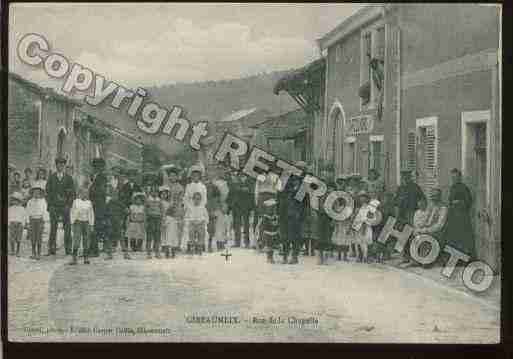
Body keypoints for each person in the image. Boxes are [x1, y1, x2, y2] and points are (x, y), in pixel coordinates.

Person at [393, 167, 426, 264]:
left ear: (410, 177)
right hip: (402, 214)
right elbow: (395, 201)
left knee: (413, 235)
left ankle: (415, 257)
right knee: (403, 236)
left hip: (412, 214)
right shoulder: (400, 188)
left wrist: (420, 212)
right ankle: (405, 257)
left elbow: (422, 200)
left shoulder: (415, 187)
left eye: (407, 177)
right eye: (403, 177)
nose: (405, 179)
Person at [280, 161, 309, 265]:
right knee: (284, 234)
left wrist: (303, 213)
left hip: (297, 211)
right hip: (285, 209)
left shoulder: (304, 182)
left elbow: (302, 198)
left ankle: (294, 256)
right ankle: (284, 255)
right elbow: (281, 193)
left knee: (296, 235)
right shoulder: (288, 179)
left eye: (301, 169)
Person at [442, 169, 475, 259]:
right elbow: (449, 201)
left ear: (459, 177)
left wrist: (459, 202)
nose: (454, 179)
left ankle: (464, 259)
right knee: (453, 238)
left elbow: (469, 201)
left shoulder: (464, 188)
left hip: (462, 217)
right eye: (452, 177)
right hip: (453, 216)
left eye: (456, 177)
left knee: (463, 238)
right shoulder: (452, 188)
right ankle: (454, 258)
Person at [46, 157, 76, 256]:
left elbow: (72, 194)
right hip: (54, 206)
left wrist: (69, 205)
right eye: (59, 164)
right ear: (56, 166)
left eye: (62, 165)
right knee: (53, 228)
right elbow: (48, 192)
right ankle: (52, 248)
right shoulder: (51, 178)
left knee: (67, 228)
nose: (60, 166)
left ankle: (68, 249)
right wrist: (50, 206)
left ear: (64, 166)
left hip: (65, 207)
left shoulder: (69, 178)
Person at [105, 169, 130, 260]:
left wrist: (122, 218)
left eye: (116, 193)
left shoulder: (120, 203)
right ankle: (109, 254)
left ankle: (126, 253)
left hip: (118, 222)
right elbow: (105, 213)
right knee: (109, 238)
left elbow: (126, 211)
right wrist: (107, 220)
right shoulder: (108, 203)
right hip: (110, 223)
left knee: (121, 237)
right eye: (112, 193)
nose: (114, 194)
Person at [352, 191, 382, 263]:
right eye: (361, 198)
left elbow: (373, 217)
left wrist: (367, 222)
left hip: (366, 226)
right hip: (358, 226)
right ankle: (359, 256)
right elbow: (354, 218)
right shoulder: (357, 208)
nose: (362, 199)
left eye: (364, 197)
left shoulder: (370, 208)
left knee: (366, 241)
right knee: (358, 241)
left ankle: (366, 256)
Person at [183, 165, 208, 251]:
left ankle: (200, 244)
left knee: (201, 229)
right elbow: (186, 198)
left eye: (197, 175)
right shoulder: (188, 186)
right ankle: (191, 244)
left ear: (200, 176)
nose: (195, 177)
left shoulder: (203, 186)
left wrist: (200, 205)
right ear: (191, 176)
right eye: (194, 175)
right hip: (191, 208)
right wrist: (189, 206)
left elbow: (204, 198)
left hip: (200, 208)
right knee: (190, 229)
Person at [161, 165, 185, 250]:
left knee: (177, 226)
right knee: (164, 226)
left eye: (174, 176)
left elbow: (181, 198)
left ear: (177, 177)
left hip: (176, 208)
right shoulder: (166, 185)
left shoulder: (180, 187)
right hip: (166, 207)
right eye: (171, 175)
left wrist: (176, 205)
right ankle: (164, 244)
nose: (172, 177)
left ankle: (176, 245)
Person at [69, 186, 94, 265]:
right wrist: (72, 223)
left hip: (86, 223)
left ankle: (86, 257)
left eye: (86, 193)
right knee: (76, 240)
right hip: (78, 222)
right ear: (79, 193)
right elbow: (72, 212)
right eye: (83, 193)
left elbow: (91, 214)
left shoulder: (89, 202)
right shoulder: (76, 201)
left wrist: (91, 224)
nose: (84, 194)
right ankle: (74, 258)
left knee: (86, 240)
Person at [89, 158, 108, 257]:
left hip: (98, 205)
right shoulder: (94, 177)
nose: (96, 168)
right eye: (95, 166)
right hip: (93, 205)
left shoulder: (102, 177)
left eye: (98, 167)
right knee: (92, 227)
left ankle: (94, 250)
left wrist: (91, 190)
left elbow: (101, 191)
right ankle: (92, 249)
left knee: (95, 227)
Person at [228, 172, 254, 248]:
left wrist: (252, 206)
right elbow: (231, 191)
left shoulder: (250, 181)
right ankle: (237, 242)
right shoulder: (235, 180)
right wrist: (229, 206)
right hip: (236, 206)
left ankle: (247, 242)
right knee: (236, 224)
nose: (241, 174)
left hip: (246, 205)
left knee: (246, 224)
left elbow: (251, 192)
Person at [25, 181, 49, 260]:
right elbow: (27, 212)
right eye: (34, 192)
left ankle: (39, 253)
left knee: (39, 237)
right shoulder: (29, 202)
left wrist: (44, 221)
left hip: (40, 220)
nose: (36, 194)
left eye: (38, 192)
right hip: (32, 220)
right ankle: (33, 252)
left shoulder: (43, 201)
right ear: (32, 193)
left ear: (40, 193)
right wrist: (28, 222)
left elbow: (45, 211)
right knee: (33, 237)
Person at [120, 169, 142, 251]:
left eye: (134, 175)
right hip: (127, 209)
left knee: (137, 226)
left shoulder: (138, 187)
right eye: (130, 176)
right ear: (128, 177)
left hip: (136, 209)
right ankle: (125, 245)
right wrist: (125, 207)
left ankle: (135, 246)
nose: (132, 177)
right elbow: (121, 198)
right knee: (126, 227)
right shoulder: (124, 187)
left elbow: (141, 198)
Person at [145, 183, 164, 259]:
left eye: (156, 192)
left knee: (157, 235)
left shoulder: (159, 201)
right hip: (150, 219)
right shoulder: (148, 200)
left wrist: (162, 218)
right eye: (152, 191)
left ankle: (157, 251)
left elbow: (162, 210)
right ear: (150, 192)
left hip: (158, 219)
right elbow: (145, 210)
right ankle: (149, 252)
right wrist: (146, 219)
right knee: (149, 236)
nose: (154, 193)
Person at [260, 198, 280, 264]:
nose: (272, 209)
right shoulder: (265, 217)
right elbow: (263, 226)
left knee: (272, 246)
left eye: (273, 208)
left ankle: (271, 257)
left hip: (274, 233)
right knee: (269, 246)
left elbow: (277, 224)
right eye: (270, 208)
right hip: (267, 234)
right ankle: (269, 258)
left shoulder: (275, 216)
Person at [8, 192, 26, 257]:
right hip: (12, 224)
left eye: (17, 200)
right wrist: (9, 223)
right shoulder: (10, 208)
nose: (15, 202)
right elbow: (8, 216)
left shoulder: (22, 209)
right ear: (12, 201)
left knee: (18, 238)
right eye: (14, 200)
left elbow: (24, 216)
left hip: (19, 224)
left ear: (19, 201)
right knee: (11, 238)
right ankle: (12, 250)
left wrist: (22, 224)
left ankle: (18, 251)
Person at [159, 186, 173, 258]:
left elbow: (170, 211)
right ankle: (163, 245)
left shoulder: (169, 203)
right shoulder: (159, 202)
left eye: (165, 194)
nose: (164, 195)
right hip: (160, 218)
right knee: (162, 233)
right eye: (162, 194)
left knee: (167, 233)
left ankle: (167, 246)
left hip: (167, 219)